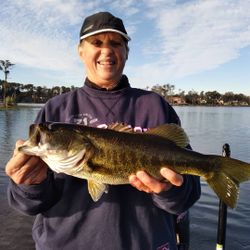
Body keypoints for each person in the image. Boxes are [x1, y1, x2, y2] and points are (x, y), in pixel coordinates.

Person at [5, 11, 200, 250]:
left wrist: (170, 191)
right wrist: (29, 186)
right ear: (81, 51)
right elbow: (28, 205)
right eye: (96, 43)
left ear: (126, 52)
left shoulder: (156, 106)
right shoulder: (55, 109)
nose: (106, 51)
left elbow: (189, 194)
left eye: (116, 43)